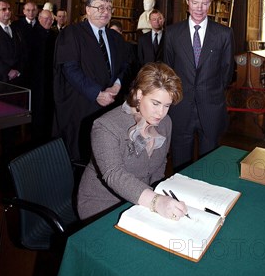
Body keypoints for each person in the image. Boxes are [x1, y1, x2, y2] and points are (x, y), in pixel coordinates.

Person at [77, 62, 184, 221]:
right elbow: (114, 175)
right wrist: (156, 202)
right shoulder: (106, 126)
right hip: (103, 205)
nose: (160, 113)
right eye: (155, 103)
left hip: (141, 202)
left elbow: (159, 166)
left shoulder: (165, 123)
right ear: (139, 95)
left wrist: (157, 196)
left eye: (166, 106)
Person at [164, 0, 235, 171]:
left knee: (209, 165)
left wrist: (210, 91)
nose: (199, 8)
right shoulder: (171, 33)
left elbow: (227, 72)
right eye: (195, 2)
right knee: (180, 165)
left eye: (204, 3)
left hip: (211, 108)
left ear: (210, 4)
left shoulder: (224, 34)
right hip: (180, 109)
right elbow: (166, 70)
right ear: (187, 2)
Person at [52, 0, 131, 162]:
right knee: (81, 156)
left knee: (106, 154)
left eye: (109, 8)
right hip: (82, 104)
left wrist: (117, 85)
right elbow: (70, 69)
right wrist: (97, 94)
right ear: (87, 10)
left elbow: (125, 65)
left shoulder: (115, 37)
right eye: (100, 7)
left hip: (110, 103)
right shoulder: (72, 33)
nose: (105, 12)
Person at [30, 9, 58, 144]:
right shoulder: (32, 33)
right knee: (38, 109)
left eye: (51, 20)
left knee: (49, 108)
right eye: (46, 19)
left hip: (51, 78)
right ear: (39, 18)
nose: (48, 21)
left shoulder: (55, 34)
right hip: (37, 78)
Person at [11, 1, 39, 88]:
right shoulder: (16, 25)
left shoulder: (41, 24)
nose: (31, 13)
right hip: (21, 65)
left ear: (37, 11)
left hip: (37, 65)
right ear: (24, 11)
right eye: (28, 10)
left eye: (33, 10)